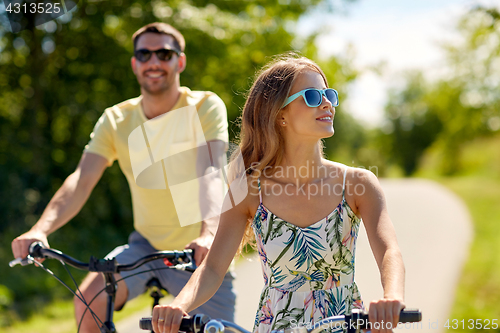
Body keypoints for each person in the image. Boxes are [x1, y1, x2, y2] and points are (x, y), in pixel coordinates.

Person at [151, 54, 405, 333]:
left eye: (329, 94)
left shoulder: (357, 183)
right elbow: (212, 269)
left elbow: (389, 251)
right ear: (279, 114)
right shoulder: (248, 192)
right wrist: (179, 305)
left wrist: (391, 297)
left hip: (345, 325)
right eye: (311, 96)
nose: (327, 103)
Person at [11, 22, 236, 333]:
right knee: (88, 301)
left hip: (200, 252)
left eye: (164, 53)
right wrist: (39, 229)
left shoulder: (204, 106)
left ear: (180, 61)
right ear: (134, 64)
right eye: (144, 54)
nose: (154, 62)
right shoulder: (116, 119)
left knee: (213, 328)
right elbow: (81, 179)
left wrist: (209, 235)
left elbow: (210, 171)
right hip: (144, 247)